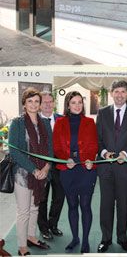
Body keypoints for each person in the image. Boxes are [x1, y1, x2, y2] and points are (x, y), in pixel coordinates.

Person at [96, 80, 127, 253]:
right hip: (106, 168)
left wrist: (126, 153)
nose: (120, 95)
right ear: (111, 93)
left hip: (125, 168)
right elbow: (98, 138)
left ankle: (122, 238)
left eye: (123, 92)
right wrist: (104, 153)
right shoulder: (102, 113)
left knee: (123, 205)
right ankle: (105, 239)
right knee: (106, 205)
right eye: (117, 91)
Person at [9, 88, 53, 256]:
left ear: (40, 104)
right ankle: (22, 247)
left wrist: (46, 167)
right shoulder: (17, 123)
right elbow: (14, 152)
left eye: (36, 101)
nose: (34, 104)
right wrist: (34, 170)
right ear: (24, 104)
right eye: (30, 101)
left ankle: (31, 237)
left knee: (35, 207)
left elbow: (50, 149)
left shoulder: (46, 124)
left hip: (42, 173)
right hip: (23, 173)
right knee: (24, 211)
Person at [53, 91, 98, 254]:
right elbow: (56, 147)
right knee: (72, 205)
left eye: (80, 102)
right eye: (73, 102)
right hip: (67, 168)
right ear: (67, 105)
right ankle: (75, 238)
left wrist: (88, 158)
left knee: (85, 205)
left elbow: (94, 145)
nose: (77, 105)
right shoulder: (59, 122)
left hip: (86, 168)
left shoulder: (90, 122)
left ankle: (85, 240)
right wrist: (66, 159)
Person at [38, 91, 65, 240]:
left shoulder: (62, 119)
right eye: (44, 102)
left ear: (54, 103)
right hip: (42, 166)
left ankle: (53, 224)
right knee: (42, 198)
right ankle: (43, 228)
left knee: (59, 197)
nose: (48, 105)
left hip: (60, 166)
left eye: (50, 101)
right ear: (40, 104)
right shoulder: (34, 121)